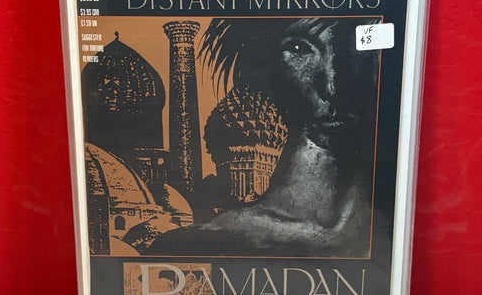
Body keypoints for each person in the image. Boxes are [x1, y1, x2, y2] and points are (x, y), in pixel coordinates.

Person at [152, 17, 379, 257]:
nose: (332, 87)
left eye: (359, 46)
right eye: (299, 49)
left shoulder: (391, 221)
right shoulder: (205, 242)